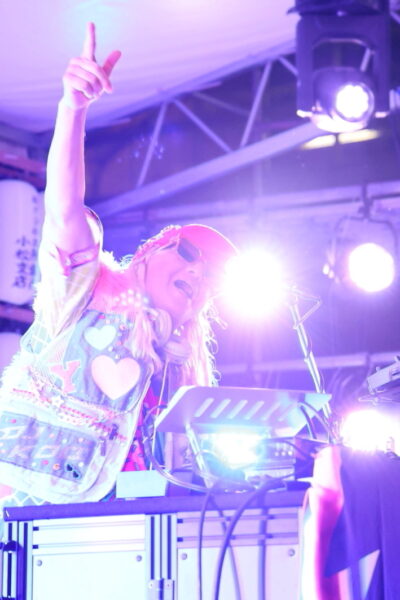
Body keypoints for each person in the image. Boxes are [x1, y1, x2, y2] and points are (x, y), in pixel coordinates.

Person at [0, 23, 237, 507]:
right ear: (149, 251)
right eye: (187, 254)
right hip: (24, 514)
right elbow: (64, 208)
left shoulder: (179, 370)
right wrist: (73, 108)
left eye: (210, 278)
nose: (196, 274)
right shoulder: (87, 293)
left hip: (125, 530)